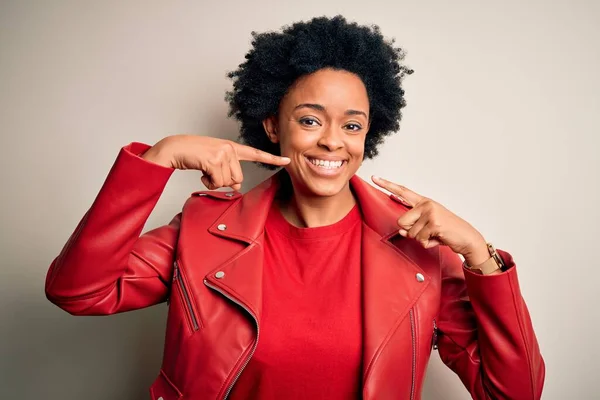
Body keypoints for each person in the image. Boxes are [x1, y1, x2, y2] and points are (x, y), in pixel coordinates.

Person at [45, 15, 545, 400]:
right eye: (310, 120)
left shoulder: (419, 249)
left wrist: (481, 255)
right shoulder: (202, 233)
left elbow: (513, 392)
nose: (333, 143)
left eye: (352, 125)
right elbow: (79, 291)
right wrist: (155, 160)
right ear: (271, 125)